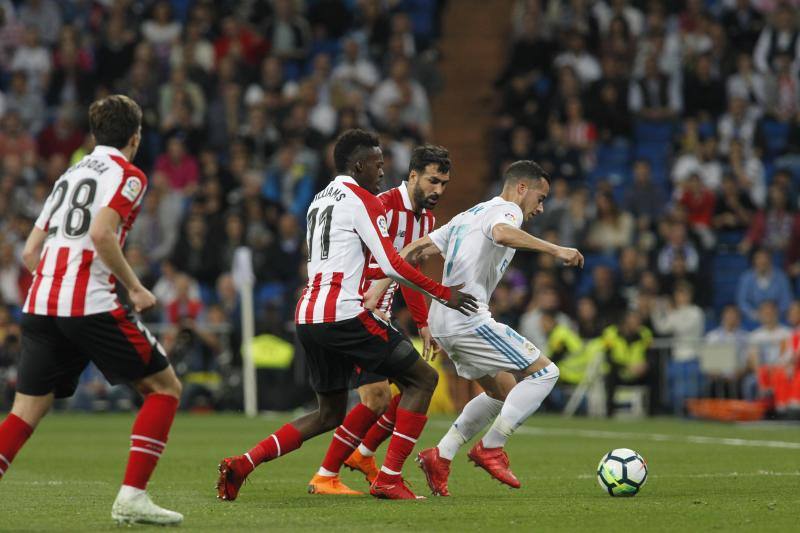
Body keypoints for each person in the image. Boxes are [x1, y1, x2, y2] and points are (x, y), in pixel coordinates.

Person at [216, 129, 477, 501]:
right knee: (422, 380)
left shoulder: (318, 200)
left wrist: (421, 318)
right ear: (359, 165)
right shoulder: (368, 201)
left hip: (309, 314)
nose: (383, 172)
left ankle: (243, 463)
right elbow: (392, 264)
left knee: (330, 413)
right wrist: (444, 294)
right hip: (348, 313)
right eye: (378, 164)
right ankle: (386, 476)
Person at [0, 95, 184, 525]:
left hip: (41, 303)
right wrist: (135, 288)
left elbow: (30, 251)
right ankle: (132, 497)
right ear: (135, 137)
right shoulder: (129, 175)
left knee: (26, 410)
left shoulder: (70, 174)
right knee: (165, 388)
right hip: (88, 302)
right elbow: (102, 232)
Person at [380, 160, 583, 496]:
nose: (541, 207)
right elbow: (502, 232)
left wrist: (379, 286)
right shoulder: (508, 211)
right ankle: (492, 447)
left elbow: (415, 250)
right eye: (540, 197)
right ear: (522, 188)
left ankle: (440, 455)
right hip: (468, 318)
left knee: (501, 391)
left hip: (442, 318)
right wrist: (555, 248)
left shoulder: (470, 214)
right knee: (545, 374)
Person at [306, 144, 451, 494]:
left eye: (444, 184)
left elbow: (408, 271)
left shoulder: (426, 220)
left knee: (404, 390)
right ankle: (329, 472)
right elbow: (370, 260)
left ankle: (362, 456)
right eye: (433, 181)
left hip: (380, 314)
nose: (438, 191)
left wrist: (424, 322)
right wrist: (370, 295)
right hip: (356, 311)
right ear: (413, 175)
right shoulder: (381, 204)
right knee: (380, 397)